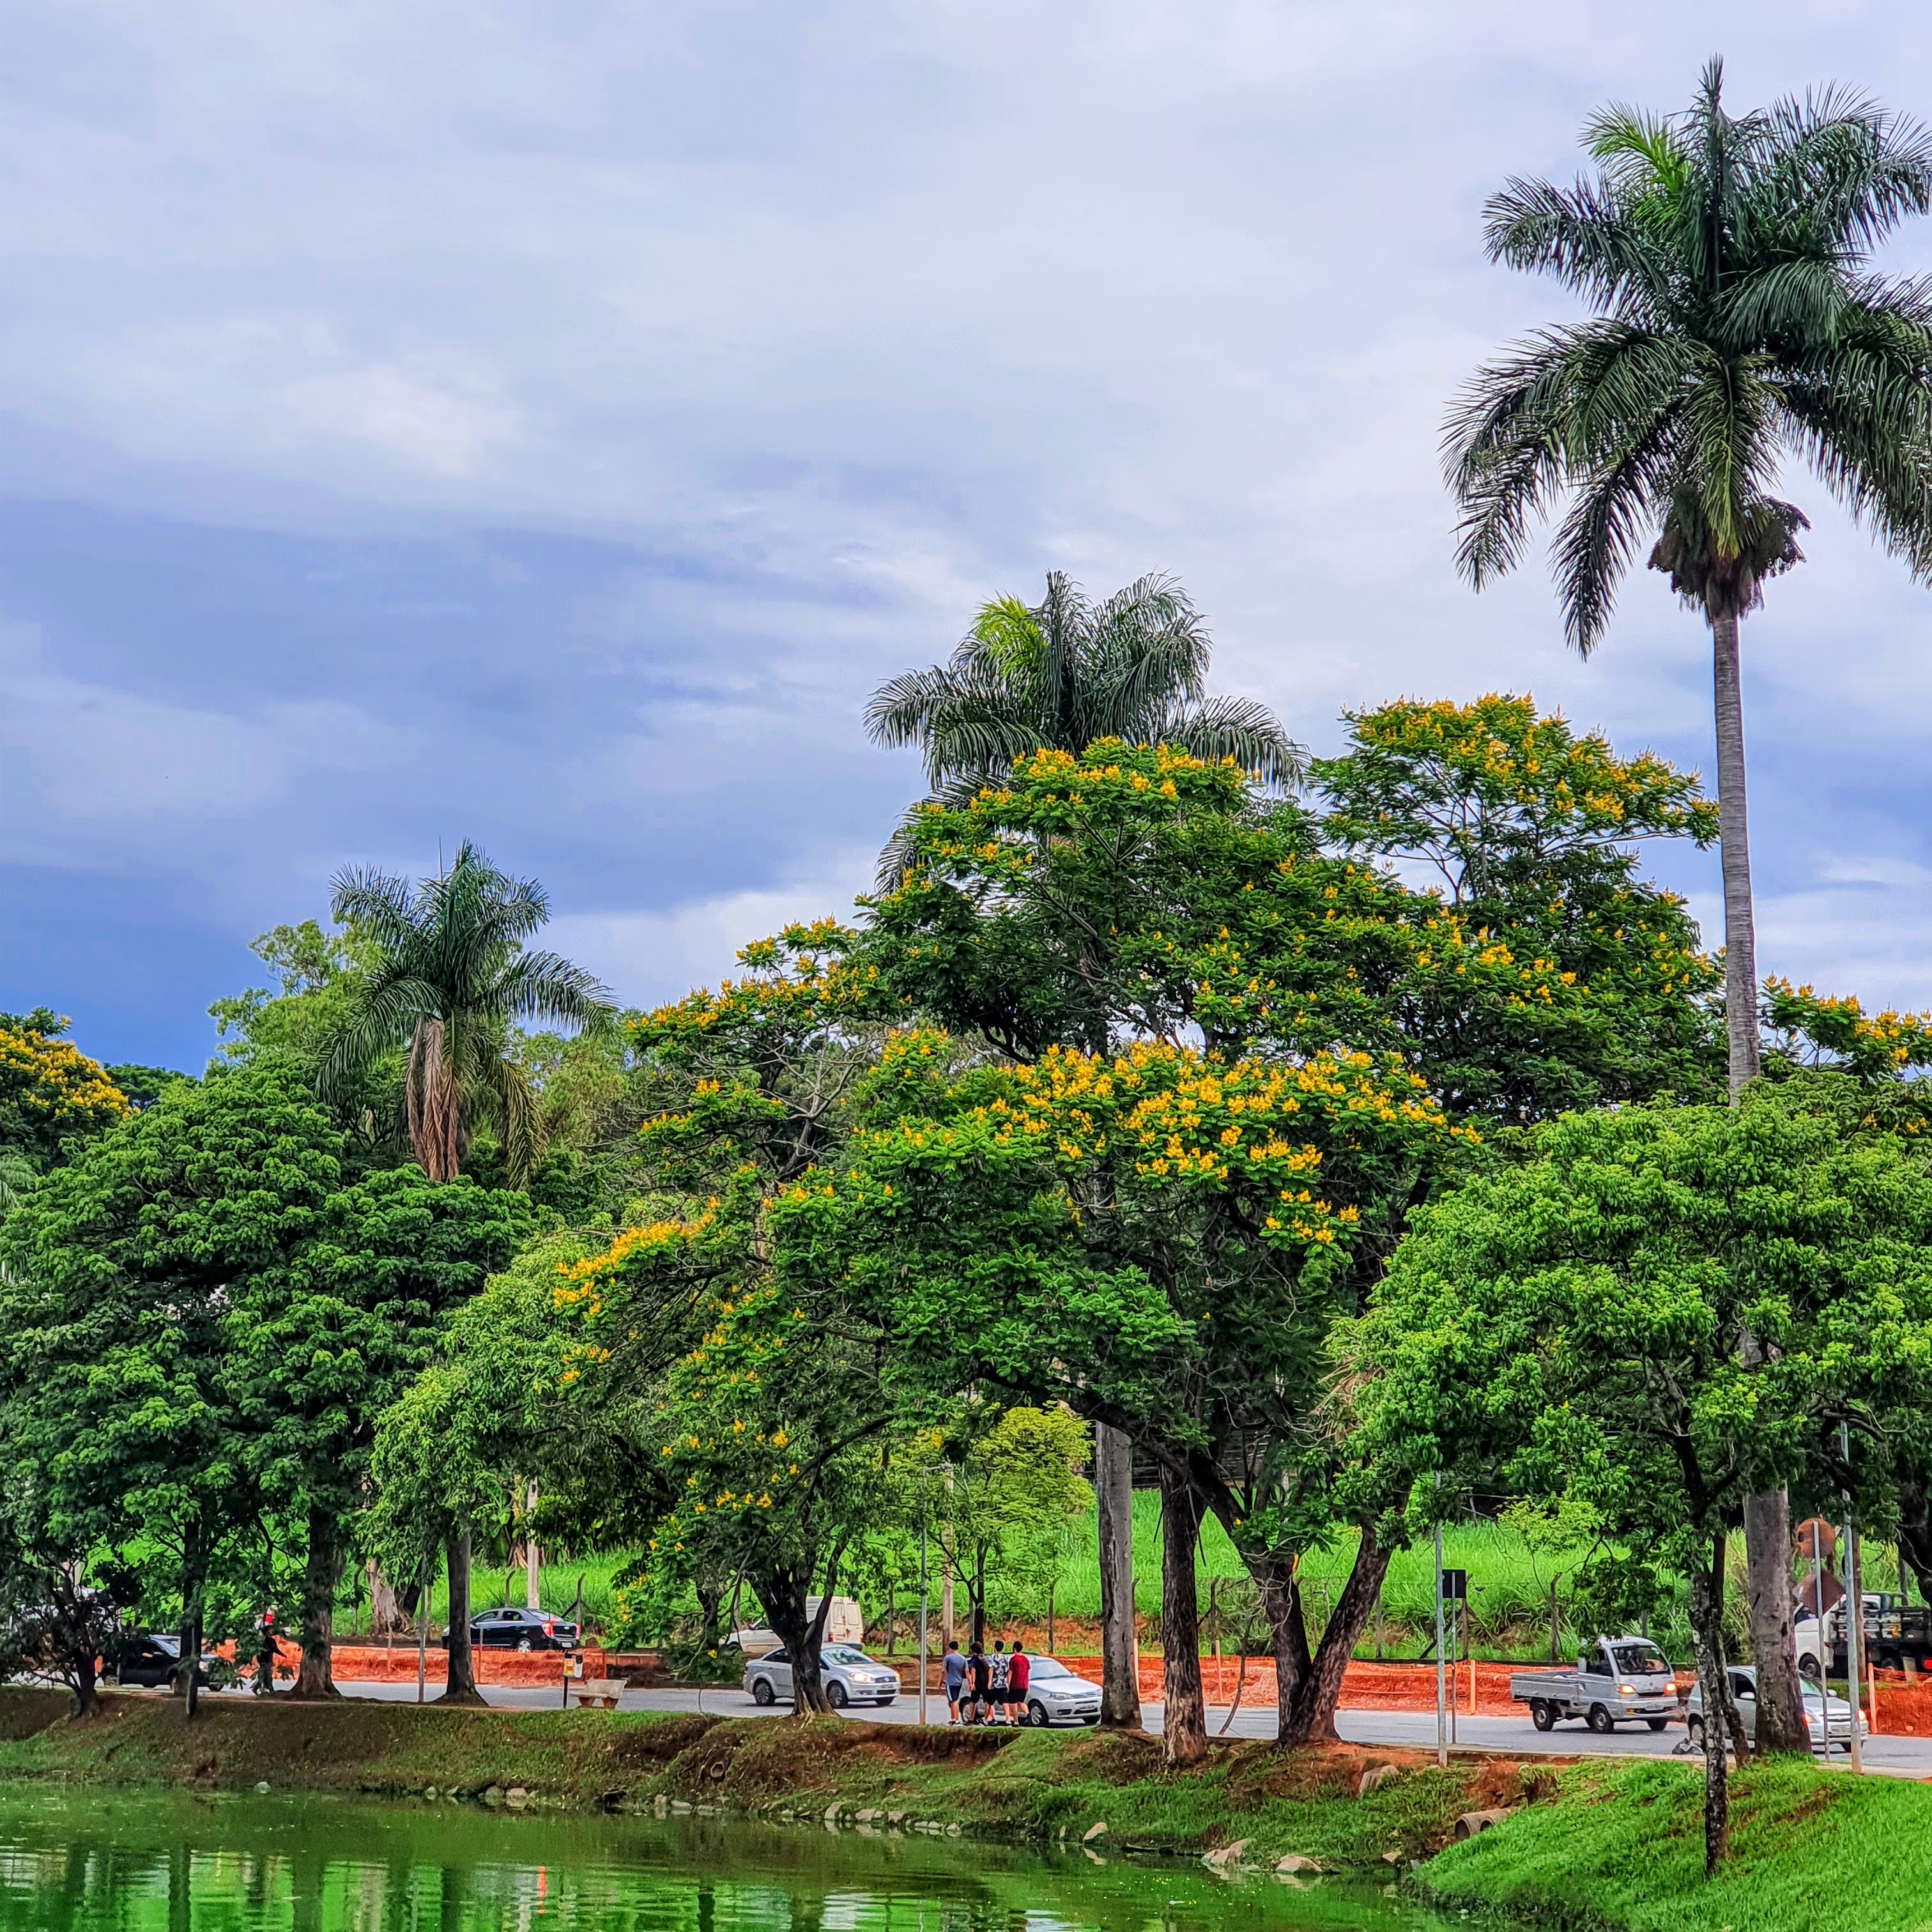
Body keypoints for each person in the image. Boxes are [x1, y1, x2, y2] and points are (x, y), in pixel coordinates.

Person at [942, 1639, 967, 1724]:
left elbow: (944, 1671)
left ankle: (956, 1719)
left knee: (954, 1700)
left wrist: (940, 1682)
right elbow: (966, 1671)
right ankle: (953, 1718)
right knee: (951, 1701)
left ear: (950, 1648)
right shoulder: (963, 1659)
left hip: (950, 1682)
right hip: (959, 1682)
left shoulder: (948, 1658)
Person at [967, 1642, 989, 1725]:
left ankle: (971, 1719)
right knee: (987, 1702)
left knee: (973, 1702)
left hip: (977, 1683)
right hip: (986, 1683)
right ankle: (988, 1718)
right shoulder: (985, 1659)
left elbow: (973, 1671)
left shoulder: (974, 1660)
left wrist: (972, 1683)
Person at [988, 1640, 1011, 1724]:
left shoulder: (992, 1657)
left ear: (995, 1648)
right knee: (1005, 1702)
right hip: (1003, 1682)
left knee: (989, 1702)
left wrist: (990, 1681)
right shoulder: (1006, 1658)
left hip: (995, 1682)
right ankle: (1008, 1719)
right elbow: (1008, 1670)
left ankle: (988, 1718)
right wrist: (1007, 1682)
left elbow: (991, 1669)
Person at [1009, 1642, 1031, 1724]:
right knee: (1021, 1702)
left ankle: (1016, 1721)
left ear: (1014, 1649)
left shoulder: (1013, 1659)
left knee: (1013, 1703)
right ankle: (1028, 1714)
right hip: (1024, 1684)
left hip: (1015, 1684)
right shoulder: (1026, 1659)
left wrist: (1008, 1684)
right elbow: (1027, 1673)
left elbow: (1010, 1673)